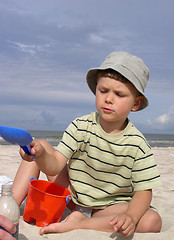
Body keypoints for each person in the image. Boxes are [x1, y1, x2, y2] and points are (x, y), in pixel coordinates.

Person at [13, 51, 162, 237]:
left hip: (107, 207)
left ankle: (84, 222)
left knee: (152, 221)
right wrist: (40, 155)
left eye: (119, 94)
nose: (109, 98)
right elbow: (55, 166)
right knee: (39, 145)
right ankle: (9, 205)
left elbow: (144, 191)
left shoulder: (137, 143)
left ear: (136, 103)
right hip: (72, 195)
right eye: (103, 90)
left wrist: (131, 216)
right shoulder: (80, 126)